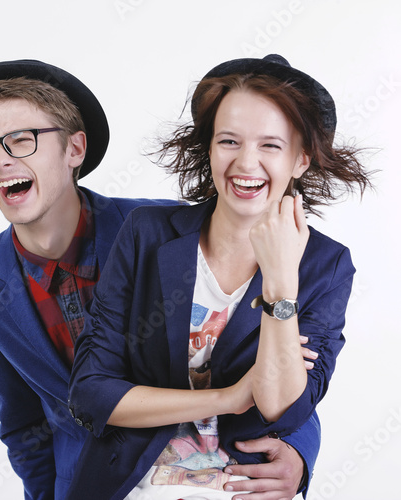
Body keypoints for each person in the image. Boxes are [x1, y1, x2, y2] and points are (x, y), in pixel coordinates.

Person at [0, 58, 323, 500]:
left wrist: (298, 451)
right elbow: (22, 422)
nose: (0, 160)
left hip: (210, 477)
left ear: (75, 150)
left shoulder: (161, 231)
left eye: (21, 141)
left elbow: (261, 347)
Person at [67, 54, 372, 500]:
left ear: (301, 160)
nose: (246, 163)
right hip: (128, 487)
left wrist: (282, 282)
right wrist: (228, 398)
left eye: (271, 145)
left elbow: (283, 409)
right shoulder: (146, 234)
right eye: (229, 141)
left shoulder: (326, 265)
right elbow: (91, 393)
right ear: (209, 146)